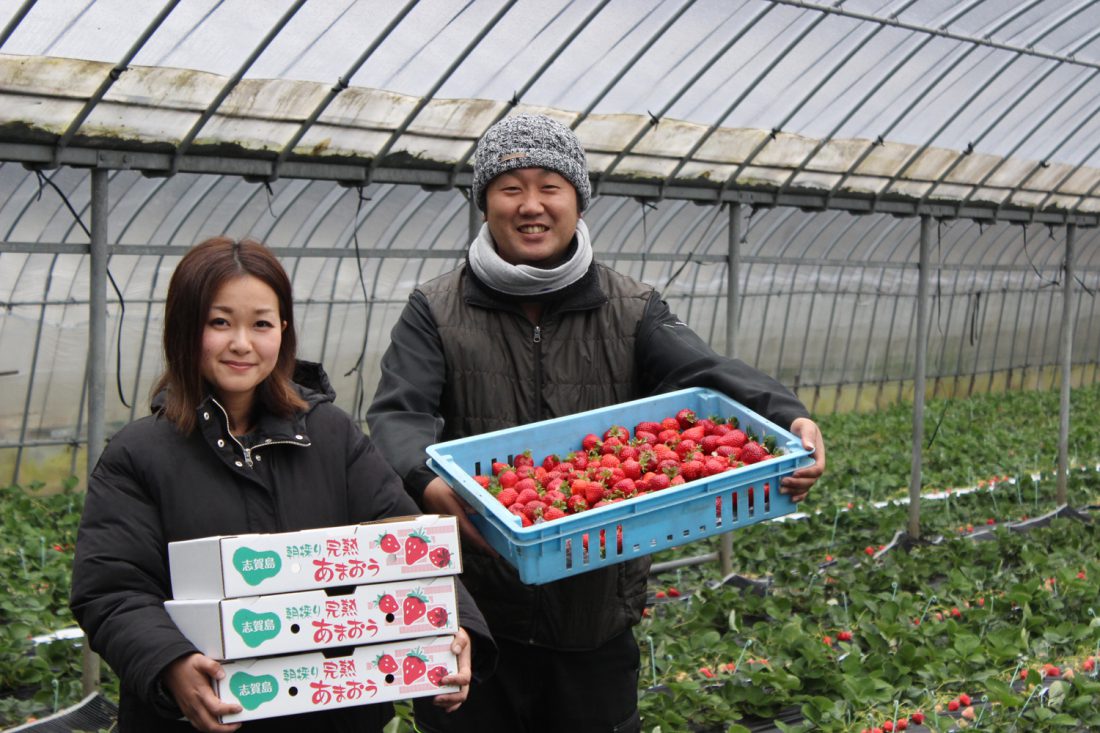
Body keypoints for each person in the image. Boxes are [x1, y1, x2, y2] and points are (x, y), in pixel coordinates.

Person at [367, 114, 826, 733]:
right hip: (472, 614)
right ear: (484, 203)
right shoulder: (435, 309)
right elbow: (400, 413)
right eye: (511, 187)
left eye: (550, 186)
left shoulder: (633, 308)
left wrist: (787, 415)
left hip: (594, 613)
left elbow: (704, 372)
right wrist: (426, 478)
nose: (532, 206)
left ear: (578, 199)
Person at [70, 237, 495, 733]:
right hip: (208, 716)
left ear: (283, 332)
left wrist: (454, 622)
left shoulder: (330, 437)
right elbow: (111, 590)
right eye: (219, 322)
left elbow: (406, 540)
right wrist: (172, 663)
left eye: (261, 324)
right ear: (184, 330)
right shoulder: (139, 456)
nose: (242, 344)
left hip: (335, 714)